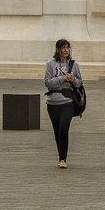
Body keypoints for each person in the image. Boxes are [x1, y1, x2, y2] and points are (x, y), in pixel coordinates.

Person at [44, 38, 83, 169]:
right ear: (58, 49)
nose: (66, 50)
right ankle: (60, 155)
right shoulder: (50, 64)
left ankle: (63, 158)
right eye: (63, 47)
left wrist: (73, 79)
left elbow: (79, 83)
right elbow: (47, 82)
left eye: (67, 47)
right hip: (53, 102)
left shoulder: (73, 65)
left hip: (68, 101)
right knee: (56, 130)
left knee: (63, 128)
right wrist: (62, 78)